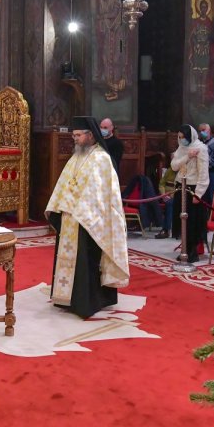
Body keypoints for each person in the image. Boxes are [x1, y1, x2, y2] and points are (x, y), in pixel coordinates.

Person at [45, 116, 129, 318]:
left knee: (87, 261)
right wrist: (58, 206)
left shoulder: (101, 158)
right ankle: (68, 299)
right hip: (70, 217)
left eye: (78, 135)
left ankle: (89, 301)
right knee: (69, 260)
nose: (74, 138)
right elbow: (64, 183)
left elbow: (100, 192)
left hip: (89, 220)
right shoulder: (76, 156)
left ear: (90, 135)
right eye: (73, 135)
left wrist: (80, 209)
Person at [170, 125, 210, 263]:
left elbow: (203, 173)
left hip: (193, 188)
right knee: (182, 220)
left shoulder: (201, 148)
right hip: (180, 185)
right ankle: (185, 249)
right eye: (179, 137)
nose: (181, 139)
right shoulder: (181, 148)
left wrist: (198, 193)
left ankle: (193, 251)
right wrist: (187, 156)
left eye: (184, 137)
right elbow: (174, 165)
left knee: (192, 222)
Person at [197, 123, 214, 192]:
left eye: (203, 130)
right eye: (199, 131)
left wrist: (204, 167)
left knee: (211, 195)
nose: (201, 132)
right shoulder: (198, 142)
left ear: (209, 130)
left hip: (211, 173)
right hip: (199, 174)